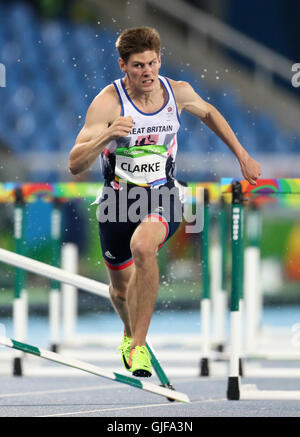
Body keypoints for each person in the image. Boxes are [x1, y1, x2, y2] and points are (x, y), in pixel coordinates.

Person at [69, 26, 261, 377]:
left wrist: (242, 155)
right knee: (119, 290)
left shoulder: (178, 92)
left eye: (153, 63)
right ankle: (129, 335)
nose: (148, 72)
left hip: (164, 193)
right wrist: (109, 134)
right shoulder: (108, 103)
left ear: (160, 60)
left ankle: (139, 347)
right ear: (123, 65)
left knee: (144, 247)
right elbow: (75, 163)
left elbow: (210, 113)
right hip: (117, 202)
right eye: (139, 65)